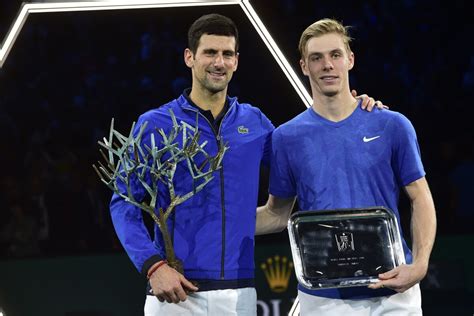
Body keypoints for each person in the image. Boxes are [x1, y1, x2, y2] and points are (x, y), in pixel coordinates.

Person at [109, 14, 382, 316]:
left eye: (227, 54)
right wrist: (153, 266)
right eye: (210, 53)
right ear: (190, 57)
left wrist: (353, 111)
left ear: (236, 61)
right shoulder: (154, 125)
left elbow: (307, 161)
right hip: (174, 294)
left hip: (240, 295)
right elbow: (123, 204)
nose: (219, 62)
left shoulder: (255, 124)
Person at [256, 18, 437, 315]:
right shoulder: (286, 138)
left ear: (350, 60)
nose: (327, 65)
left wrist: (419, 265)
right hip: (324, 297)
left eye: (335, 55)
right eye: (317, 58)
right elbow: (277, 214)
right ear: (304, 66)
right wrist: (214, 223)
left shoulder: (392, 124)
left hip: (393, 291)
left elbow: (421, 197)